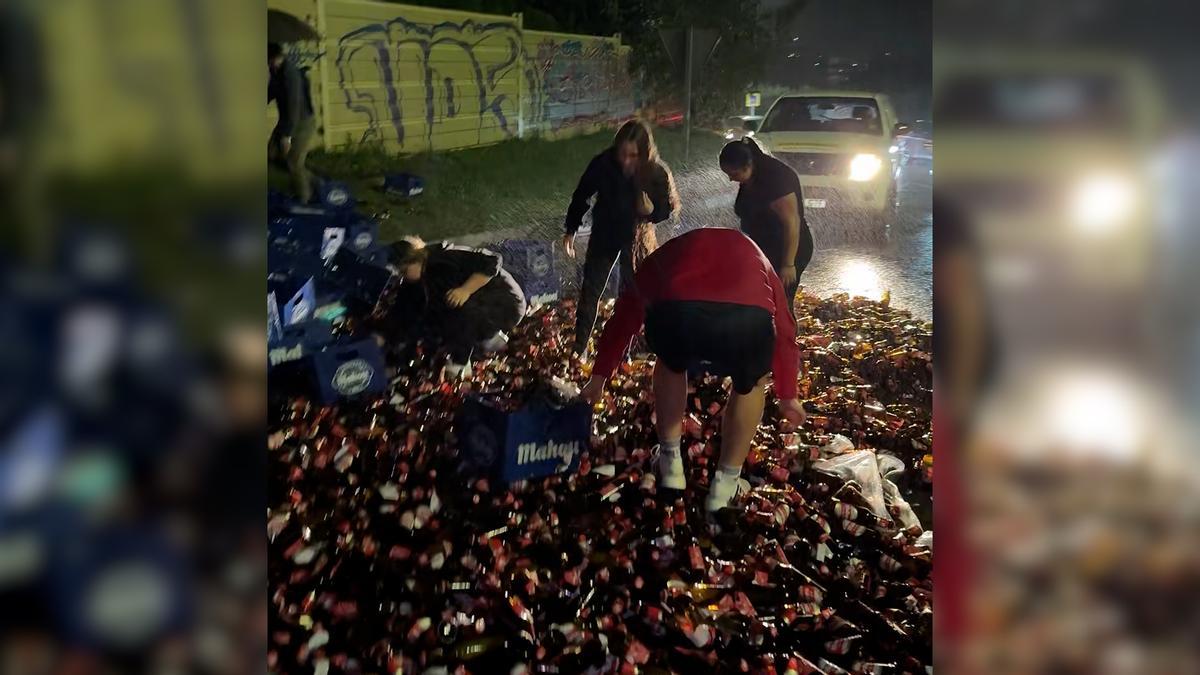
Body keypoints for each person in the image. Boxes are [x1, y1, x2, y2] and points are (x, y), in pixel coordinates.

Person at [579, 228, 806, 511]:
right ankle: (724, 486)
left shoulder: (663, 256)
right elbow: (785, 328)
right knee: (750, 383)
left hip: (679, 318)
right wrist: (788, 396)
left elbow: (625, 316)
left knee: (671, 363)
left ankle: (670, 463)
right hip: (747, 324)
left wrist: (599, 377)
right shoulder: (756, 255)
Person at [563, 119, 679, 356]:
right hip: (605, 232)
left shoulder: (656, 171)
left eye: (633, 155)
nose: (626, 160)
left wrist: (651, 212)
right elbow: (582, 195)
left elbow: (667, 209)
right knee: (591, 290)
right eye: (622, 154)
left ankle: (636, 347)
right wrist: (571, 228)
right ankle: (580, 346)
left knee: (636, 293)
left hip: (637, 238)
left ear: (644, 153)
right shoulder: (603, 163)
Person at [389, 237, 526, 377]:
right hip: (471, 311)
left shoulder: (444, 257)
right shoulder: (415, 280)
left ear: (415, 259)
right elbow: (403, 310)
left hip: (505, 303)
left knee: (457, 305)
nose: (404, 277)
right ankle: (471, 347)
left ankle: (465, 358)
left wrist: (466, 290)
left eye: (404, 271)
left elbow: (491, 261)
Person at [719, 137, 814, 317]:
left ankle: (786, 341)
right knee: (760, 299)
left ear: (748, 165)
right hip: (766, 248)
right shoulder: (752, 176)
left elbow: (792, 222)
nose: (731, 179)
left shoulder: (776, 179)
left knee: (780, 302)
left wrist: (787, 264)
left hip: (788, 249)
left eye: (734, 173)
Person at [268, 42, 317, 204]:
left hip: (301, 122)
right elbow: (271, 90)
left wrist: (287, 135)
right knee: (272, 154)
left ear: (279, 57)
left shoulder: (291, 74)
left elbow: (293, 106)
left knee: (293, 161)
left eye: (271, 60)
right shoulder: (276, 70)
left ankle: (304, 198)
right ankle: (311, 181)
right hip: (287, 120)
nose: (269, 64)